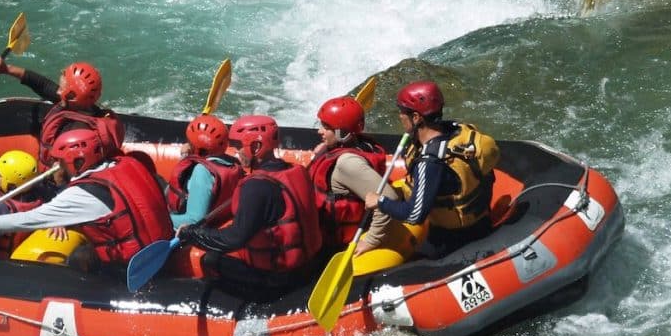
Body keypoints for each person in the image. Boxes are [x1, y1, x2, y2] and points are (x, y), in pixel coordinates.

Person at [0, 128, 173, 271]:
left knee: (78, 260)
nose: (57, 168)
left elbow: (31, 219)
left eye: (60, 162)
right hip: (162, 247)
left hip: (134, 265)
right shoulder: (126, 164)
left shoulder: (83, 193)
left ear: (78, 162)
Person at [177, 115, 322, 290]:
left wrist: (193, 234)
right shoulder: (295, 170)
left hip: (277, 279)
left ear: (256, 147)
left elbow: (234, 239)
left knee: (210, 259)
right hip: (309, 264)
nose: (236, 153)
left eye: (238, 147)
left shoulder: (256, 187)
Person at [365, 80, 500, 258]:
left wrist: (380, 201)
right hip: (481, 222)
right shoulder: (456, 130)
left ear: (416, 118)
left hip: (454, 240)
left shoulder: (429, 163)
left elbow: (414, 215)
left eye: (402, 112)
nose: (400, 116)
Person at [0, 57, 124, 164]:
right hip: (61, 169)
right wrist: (7, 69)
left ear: (71, 96)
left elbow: (63, 173)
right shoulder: (82, 105)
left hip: (61, 181)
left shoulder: (75, 134)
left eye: (61, 88)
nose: (57, 90)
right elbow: (43, 84)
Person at [309, 95, 399, 255]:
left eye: (325, 127)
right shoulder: (358, 144)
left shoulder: (348, 163)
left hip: (338, 242)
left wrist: (371, 240)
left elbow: (389, 198)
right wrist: (325, 146)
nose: (319, 131)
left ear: (342, 133)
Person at [0, 150, 54, 255]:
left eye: (0, 175)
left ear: (11, 185)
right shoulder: (43, 192)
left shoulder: (0, 209)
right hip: (22, 247)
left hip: (1, 259)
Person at [166, 114, 243, 228]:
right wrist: (185, 156)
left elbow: (194, 220)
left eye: (190, 142)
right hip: (219, 221)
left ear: (199, 148)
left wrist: (160, 219)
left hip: (190, 231)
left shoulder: (202, 172)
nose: (187, 144)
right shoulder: (233, 163)